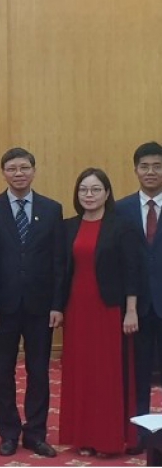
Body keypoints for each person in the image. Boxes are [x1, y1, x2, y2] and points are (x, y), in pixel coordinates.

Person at [0, 148, 63, 458]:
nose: (18, 173)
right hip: (1, 308)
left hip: (40, 307)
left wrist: (57, 304)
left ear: (34, 170)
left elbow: (59, 262)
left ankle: (35, 433)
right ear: (3, 172)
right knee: (2, 372)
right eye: (12, 169)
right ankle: (8, 433)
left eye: (24, 168)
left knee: (38, 371)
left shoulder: (51, 208)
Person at [60, 167, 143, 456]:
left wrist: (131, 310)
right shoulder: (68, 226)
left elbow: (132, 271)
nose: (89, 195)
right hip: (77, 309)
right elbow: (62, 272)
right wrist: (57, 308)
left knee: (107, 375)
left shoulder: (121, 226)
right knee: (81, 373)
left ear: (107, 193)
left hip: (109, 309)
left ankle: (108, 438)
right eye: (84, 189)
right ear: (77, 194)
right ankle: (83, 435)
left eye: (96, 189)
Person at [117, 141, 162, 452]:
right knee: (138, 374)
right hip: (136, 307)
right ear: (135, 170)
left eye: (157, 166)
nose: (151, 172)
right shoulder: (120, 209)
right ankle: (141, 435)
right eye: (145, 166)